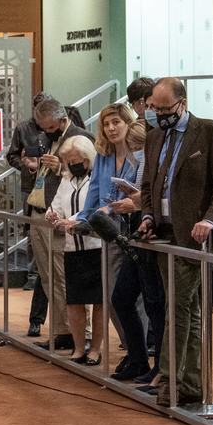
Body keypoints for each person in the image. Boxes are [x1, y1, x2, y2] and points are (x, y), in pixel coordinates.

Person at [138, 77, 213, 406]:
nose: (159, 114)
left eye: (165, 109)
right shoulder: (153, 138)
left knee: (178, 309)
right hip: (161, 235)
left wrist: (210, 220)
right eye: (154, 108)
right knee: (188, 311)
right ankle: (191, 384)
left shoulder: (208, 132)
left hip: (192, 238)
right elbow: (148, 185)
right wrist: (147, 216)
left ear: (182, 103)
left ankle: (171, 379)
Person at [77, 104, 157, 381]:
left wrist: (127, 204)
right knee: (115, 297)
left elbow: (145, 194)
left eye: (115, 123)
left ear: (127, 122)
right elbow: (95, 192)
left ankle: (141, 353)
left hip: (135, 229)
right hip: (109, 230)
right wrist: (83, 220)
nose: (111, 128)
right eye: (106, 124)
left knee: (133, 298)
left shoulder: (143, 151)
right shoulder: (103, 154)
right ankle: (135, 352)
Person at [27, 98, 95, 352]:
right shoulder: (46, 138)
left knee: (66, 276)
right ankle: (60, 330)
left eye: (50, 126)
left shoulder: (81, 137)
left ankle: (79, 333)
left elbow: (89, 176)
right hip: (41, 211)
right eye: (42, 127)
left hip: (66, 217)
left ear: (63, 119)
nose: (46, 131)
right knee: (48, 277)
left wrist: (60, 168)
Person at [47, 135, 104, 365]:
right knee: (74, 301)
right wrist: (53, 215)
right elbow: (56, 205)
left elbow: (98, 208)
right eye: (68, 160)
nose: (72, 164)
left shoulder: (97, 179)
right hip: (72, 248)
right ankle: (79, 347)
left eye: (76, 159)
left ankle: (96, 349)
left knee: (99, 301)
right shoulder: (66, 180)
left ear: (88, 158)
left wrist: (71, 220)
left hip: (96, 246)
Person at [5, 92, 53, 332]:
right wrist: (24, 166)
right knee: (32, 236)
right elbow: (11, 155)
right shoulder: (24, 128)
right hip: (31, 188)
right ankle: (33, 275)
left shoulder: (57, 132)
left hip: (54, 191)